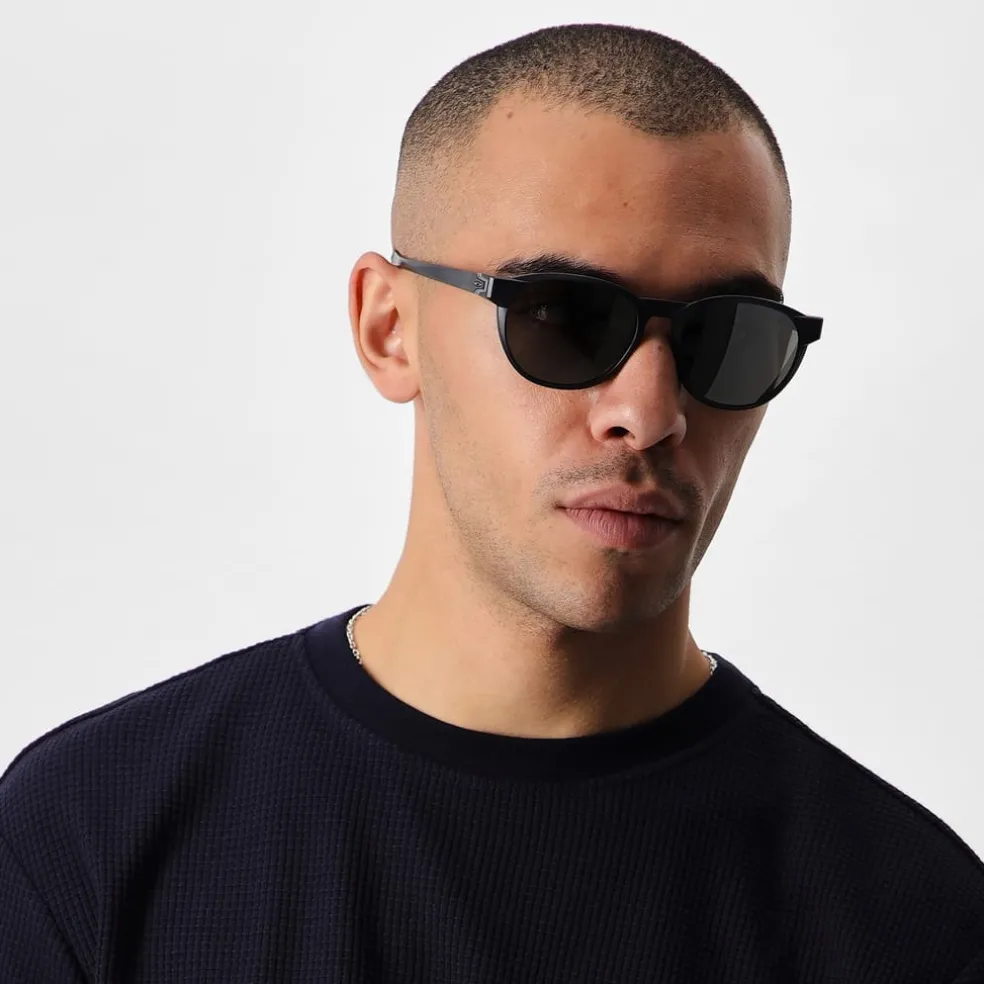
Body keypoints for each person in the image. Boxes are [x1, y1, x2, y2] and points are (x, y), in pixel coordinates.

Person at [2, 22, 982, 983]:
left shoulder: (912, 924)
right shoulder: (87, 847)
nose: (648, 414)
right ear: (389, 328)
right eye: (563, 317)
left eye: (727, 334)